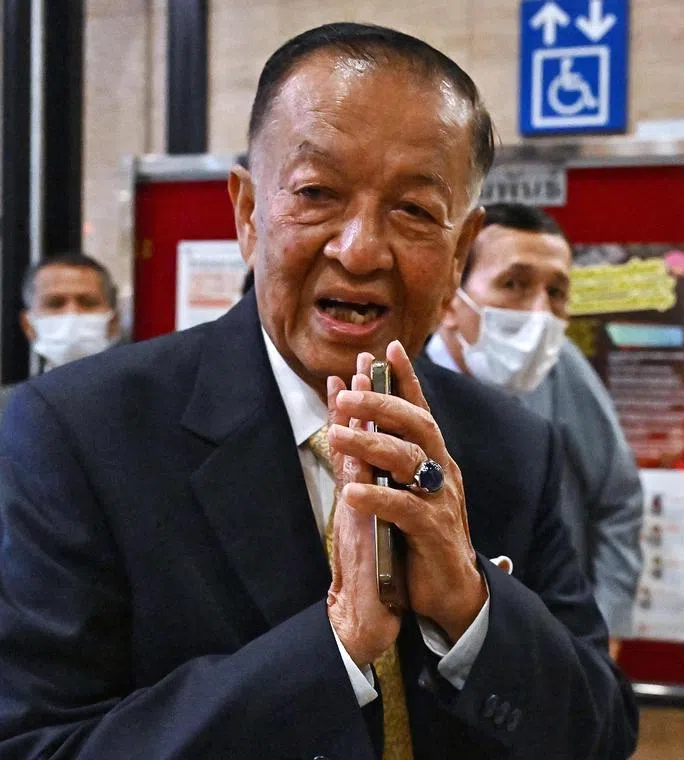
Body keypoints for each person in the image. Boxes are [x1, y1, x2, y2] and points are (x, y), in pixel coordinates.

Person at [0, 22, 637, 760]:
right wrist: (334, 652)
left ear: (461, 249)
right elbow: (38, 746)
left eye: (415, 211)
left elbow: (602, 735)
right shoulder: (80, 433)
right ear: (246, 213)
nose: (361, 248)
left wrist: (471, 608)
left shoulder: (511, 448)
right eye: (317, 193)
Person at [426, 203, 643, 659]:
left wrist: (604, 625)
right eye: (515, 284)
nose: (540, 313)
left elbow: (618, 499)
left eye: (557, 291)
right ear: (449, 298)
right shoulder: (407, 382)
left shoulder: (562, 369)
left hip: (546, 642)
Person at [19, 251, 120, 370]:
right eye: (55, 304)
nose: (72, 313)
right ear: (28, 326)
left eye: (88, 303)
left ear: (113, 322)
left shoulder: (141, 388)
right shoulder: (18, 389)